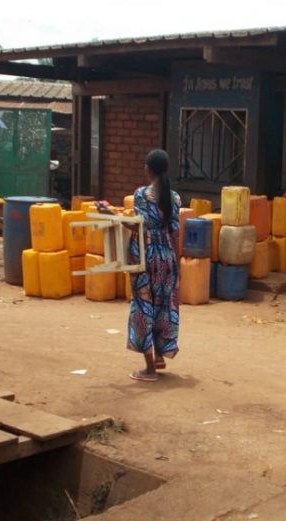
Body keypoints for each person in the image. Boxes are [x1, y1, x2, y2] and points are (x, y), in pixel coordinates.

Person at [127, 149, 182, 382]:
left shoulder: (141, 195)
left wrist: (110, 215)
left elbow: (138, 227)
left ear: (148, 169)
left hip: (147, 258)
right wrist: (177, 265)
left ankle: (149, 370)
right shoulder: (175, 198)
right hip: (167, 258)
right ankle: (160, 356)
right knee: (163, 307)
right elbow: (175, 233)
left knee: (143, 308)